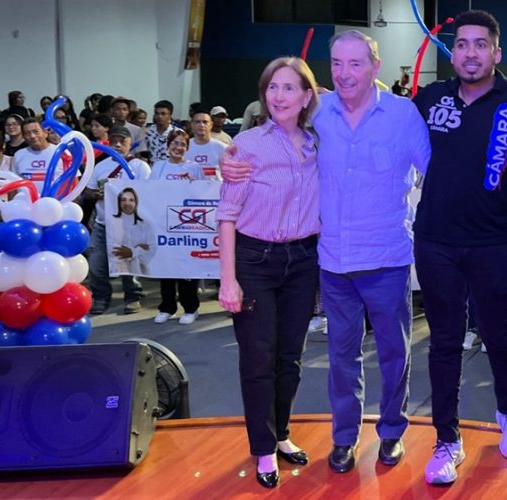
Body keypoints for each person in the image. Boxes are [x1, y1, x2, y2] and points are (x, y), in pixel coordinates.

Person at [410, 9, 507, 485]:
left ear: (496, 52)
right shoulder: (429, 98)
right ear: (454, 52)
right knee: (444, 341)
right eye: (462, 44)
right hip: (436, 242)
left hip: (495, 241)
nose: (470, 53)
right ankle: (447, 440)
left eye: (480, 44)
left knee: (497, 333)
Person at [314, 30, 428, 473]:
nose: (344, 74)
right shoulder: (317, 112)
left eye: (355, 64)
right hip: (334, 262)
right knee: (341, 358)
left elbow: (435, 173)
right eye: (337, 64)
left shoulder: (403, 115)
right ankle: (344, 437)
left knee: (393, 353)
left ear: (376, 66)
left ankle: (393, 432)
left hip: (387, 260)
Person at [217, 56, 321, 489]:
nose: (279, 96)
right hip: (254, 261)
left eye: (289, 88)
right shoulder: (246, 145)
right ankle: (262, 449)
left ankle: (280, 434)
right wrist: (228, 279)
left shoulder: (321, 142)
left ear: (307, 96)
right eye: (272, 88)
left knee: (290, 359)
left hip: (304, 262)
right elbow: (225, 216)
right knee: (258, 361)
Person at [83, 126, 151, 314]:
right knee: (96, 264)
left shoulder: (139, 166)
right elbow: (87, 191)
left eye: (123, 141)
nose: (118, 144)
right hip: (103, 223)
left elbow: (147, 193)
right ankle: (101, 297)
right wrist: (95, 194)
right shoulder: (100, 166)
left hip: (128, 224)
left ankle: (133, 296)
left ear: (131, 143)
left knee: (128, 262)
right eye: (114, 141)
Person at [149, 129, 203, 325]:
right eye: (175, 143)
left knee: (187, 268)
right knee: (166, 268)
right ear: (168, 145)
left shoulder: (195, 168)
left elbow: (204, 195)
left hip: (187, 226)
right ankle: (167, 307)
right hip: (163, 225)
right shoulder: (159, 167)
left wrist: (192, 185)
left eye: (182, 144)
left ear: (187, 148)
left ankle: (191, 308)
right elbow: (149, 193)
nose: (178, 148)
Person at [109, 187, 156, 275]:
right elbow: (111, 248)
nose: (127, 203)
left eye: (131, 200)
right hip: (116, 269)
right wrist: (138, 249)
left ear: (136, 202)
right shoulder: (112, 222)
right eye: (123, 200)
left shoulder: (145, 224)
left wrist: (132, 252)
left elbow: (152, 248)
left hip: (141, 271)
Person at [187, 108, 227, 178]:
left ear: (211, 125)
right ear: (192, 125)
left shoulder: (223, 148)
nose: (201, 125)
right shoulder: (184, 148)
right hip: (189, 188)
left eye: (205, 122)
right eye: (197, 122)